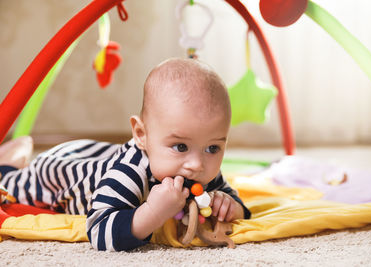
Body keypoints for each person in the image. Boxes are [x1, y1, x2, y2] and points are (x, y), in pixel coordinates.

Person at [0, 58, 251, 251]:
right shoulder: (130, 173)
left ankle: (18, 151)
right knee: (9, 185)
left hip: (100, 154)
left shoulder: (201, 170)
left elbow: (241, 208)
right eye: (181, 147)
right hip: (57, 174)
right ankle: (10, 162)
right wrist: (153, 213)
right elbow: (98, 232)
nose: (197, 164)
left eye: (213, 148)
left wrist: (229, 206)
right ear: (141, 134)